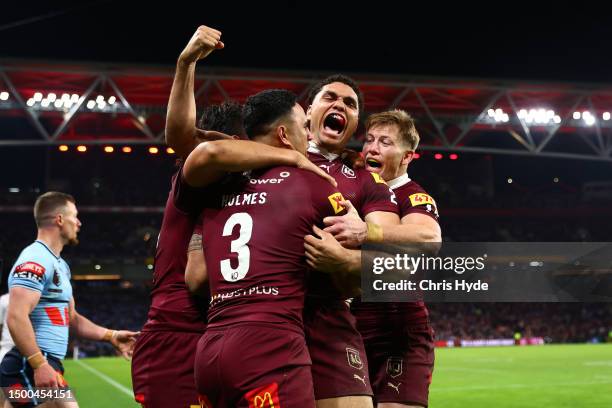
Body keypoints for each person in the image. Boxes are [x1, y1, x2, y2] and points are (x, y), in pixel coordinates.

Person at [184, 89, 344, 407]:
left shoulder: (219, 187)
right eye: (304, 126)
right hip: (271, 346)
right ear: (284, 135)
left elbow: (197, 279)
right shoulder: (313, 183)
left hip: (212, 348)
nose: (309, 136)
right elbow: (355, 259)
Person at [131, 25, 246, 408]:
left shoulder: (236, 194)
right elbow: (180, 136)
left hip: (217, 335)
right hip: (178, 338)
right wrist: (186, 63)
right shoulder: (199, 178)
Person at [305, 110, 441, 407]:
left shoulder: (411, 195)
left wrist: (367, 232)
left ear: (407, 157)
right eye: (368, 140)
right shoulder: (354, 188)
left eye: (385, 142)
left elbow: (429, 238)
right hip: (353, 325)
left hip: (398, 328)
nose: (372, 149)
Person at [304, 75, 401, 408]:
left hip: (330, 317)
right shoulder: (265, 159)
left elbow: (392, 266)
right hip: (266, 313)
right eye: (329, 97)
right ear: (307, 111)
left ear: (355, 123)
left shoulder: (366, 182)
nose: (339, 105)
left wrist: (350, 251)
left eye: (350, 103)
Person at [0, 192, 138, 408]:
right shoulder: (35, 259)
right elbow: (16, 317)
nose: (79, 222)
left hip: (40, 363)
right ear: (60, 220)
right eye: (75, 216)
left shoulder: (60, 265)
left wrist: (111, 336)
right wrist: (39, 364)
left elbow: (72, 319)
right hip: (31, 363)